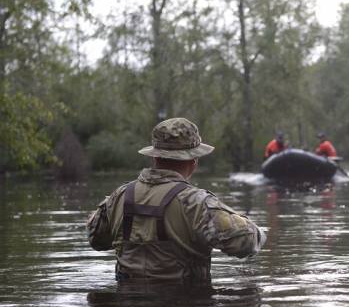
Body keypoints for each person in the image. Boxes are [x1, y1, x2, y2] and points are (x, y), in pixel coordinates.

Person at [87, 117, 266, 283]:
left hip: (126, 302)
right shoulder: (196, 203)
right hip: (185, 303)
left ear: (155, 157)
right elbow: (247, 242)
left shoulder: (119, 196)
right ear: (194, 161)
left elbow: (96, 240)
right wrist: (255, 230)